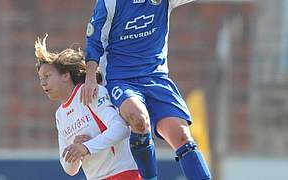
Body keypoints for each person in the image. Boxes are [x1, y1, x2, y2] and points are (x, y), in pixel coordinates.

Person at [81, 0, 212, 180]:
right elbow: (94, 40)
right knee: (139, 119)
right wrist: (90, 79)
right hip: (120, 79)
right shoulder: (110, 2)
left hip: (156, 78)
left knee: (182, 137)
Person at [34, 34, 141, 180]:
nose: (43, 83)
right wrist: (76, 148)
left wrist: (85, 147)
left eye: (47, 76)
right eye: (41, 79)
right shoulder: (60, 115)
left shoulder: (89, 92)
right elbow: (69, 169)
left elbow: (121, 129)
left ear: (65, 75)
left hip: (123, 173)